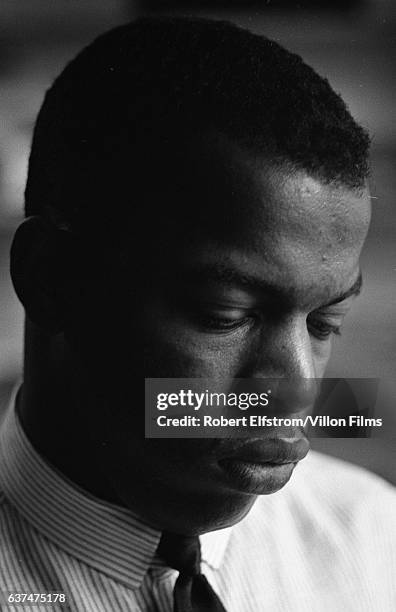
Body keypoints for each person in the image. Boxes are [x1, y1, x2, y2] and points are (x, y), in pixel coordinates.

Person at [0, 16, 395, 612]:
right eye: (224, 314)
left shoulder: (371, 539)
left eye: (324, 322)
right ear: (50, 280)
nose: (296, 391)